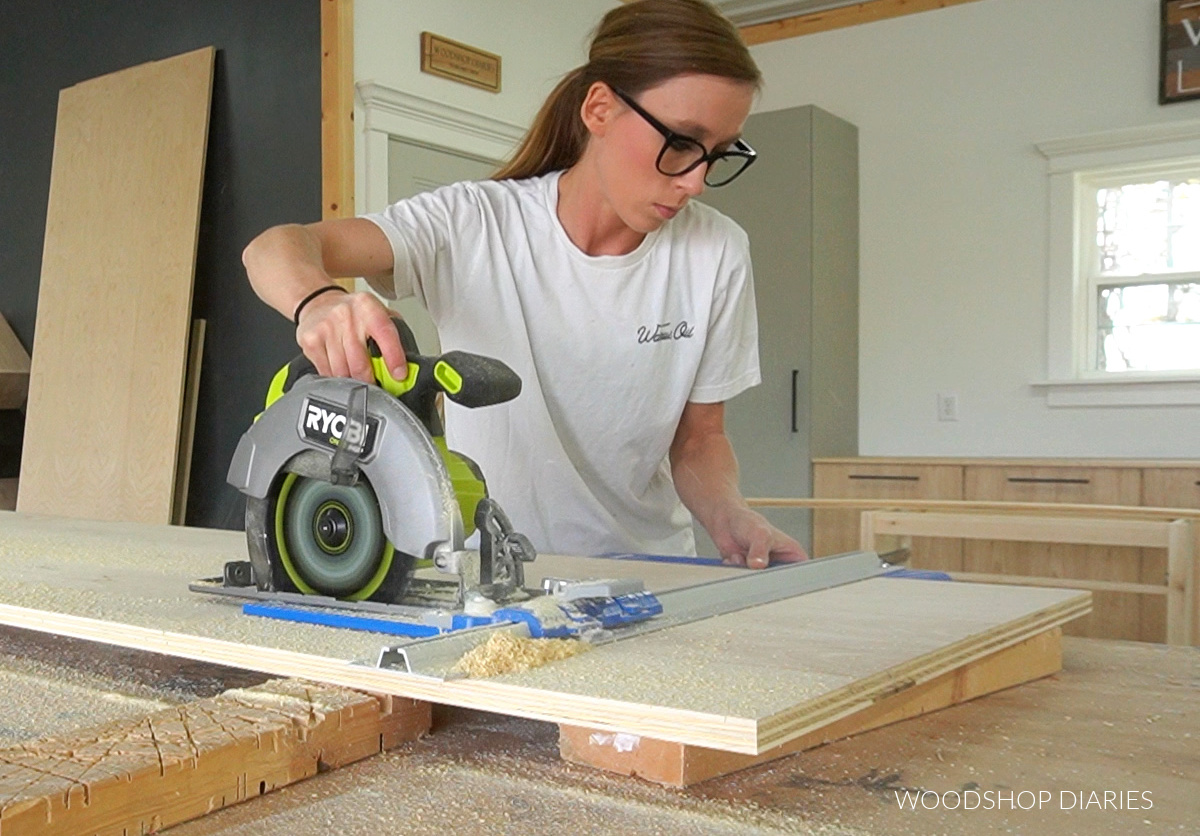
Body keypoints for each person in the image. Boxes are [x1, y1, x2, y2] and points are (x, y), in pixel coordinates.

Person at [242, 0, 807, 569]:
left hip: (646, 573)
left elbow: (700, 439)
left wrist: (729, 513)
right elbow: (273, 248)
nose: (696, 182)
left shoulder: (718, 251)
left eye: (716, 153)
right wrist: (318, 299)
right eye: (682, 142)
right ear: (600, 109)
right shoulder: (474, 223)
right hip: (487, 575)